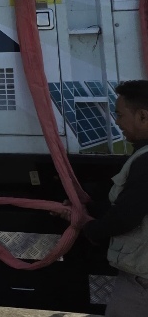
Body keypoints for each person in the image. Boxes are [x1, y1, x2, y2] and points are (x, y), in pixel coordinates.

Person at [76, 80, 148, 316]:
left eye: (120, 114)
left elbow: (126, 216)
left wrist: (88, 227)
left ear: (143, 117)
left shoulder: (145, 161)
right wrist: (90, 206)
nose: (117, 122)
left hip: (141, 283)